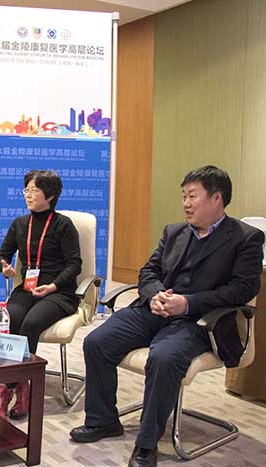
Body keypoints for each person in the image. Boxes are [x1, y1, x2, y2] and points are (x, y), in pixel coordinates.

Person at [70, 166, 264, 467]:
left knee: (163, 358)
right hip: (156, 309)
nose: (186, 203)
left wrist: (187, 303)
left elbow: (242, 289)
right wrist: (156, 295)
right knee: (97, 341)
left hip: (201, 320)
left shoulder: (245, 238)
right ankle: (103, 420)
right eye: (183, 197)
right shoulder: (174, 232)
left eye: (192, 196)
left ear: (216, 198)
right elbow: (149, 271)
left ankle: (147, 445)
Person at [0, 170, 81, 420]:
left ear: (50, 195)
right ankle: (22, 385)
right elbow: (1, 255)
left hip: (59, 293)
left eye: (34, 191)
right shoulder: (20, 224)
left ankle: (6, 389)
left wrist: (53, 286)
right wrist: (4, 267)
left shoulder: (63, 225)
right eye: (26, 190)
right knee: (12, 317)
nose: (28, 195)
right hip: (28, 289)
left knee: (30, 324)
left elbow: (75, 264)